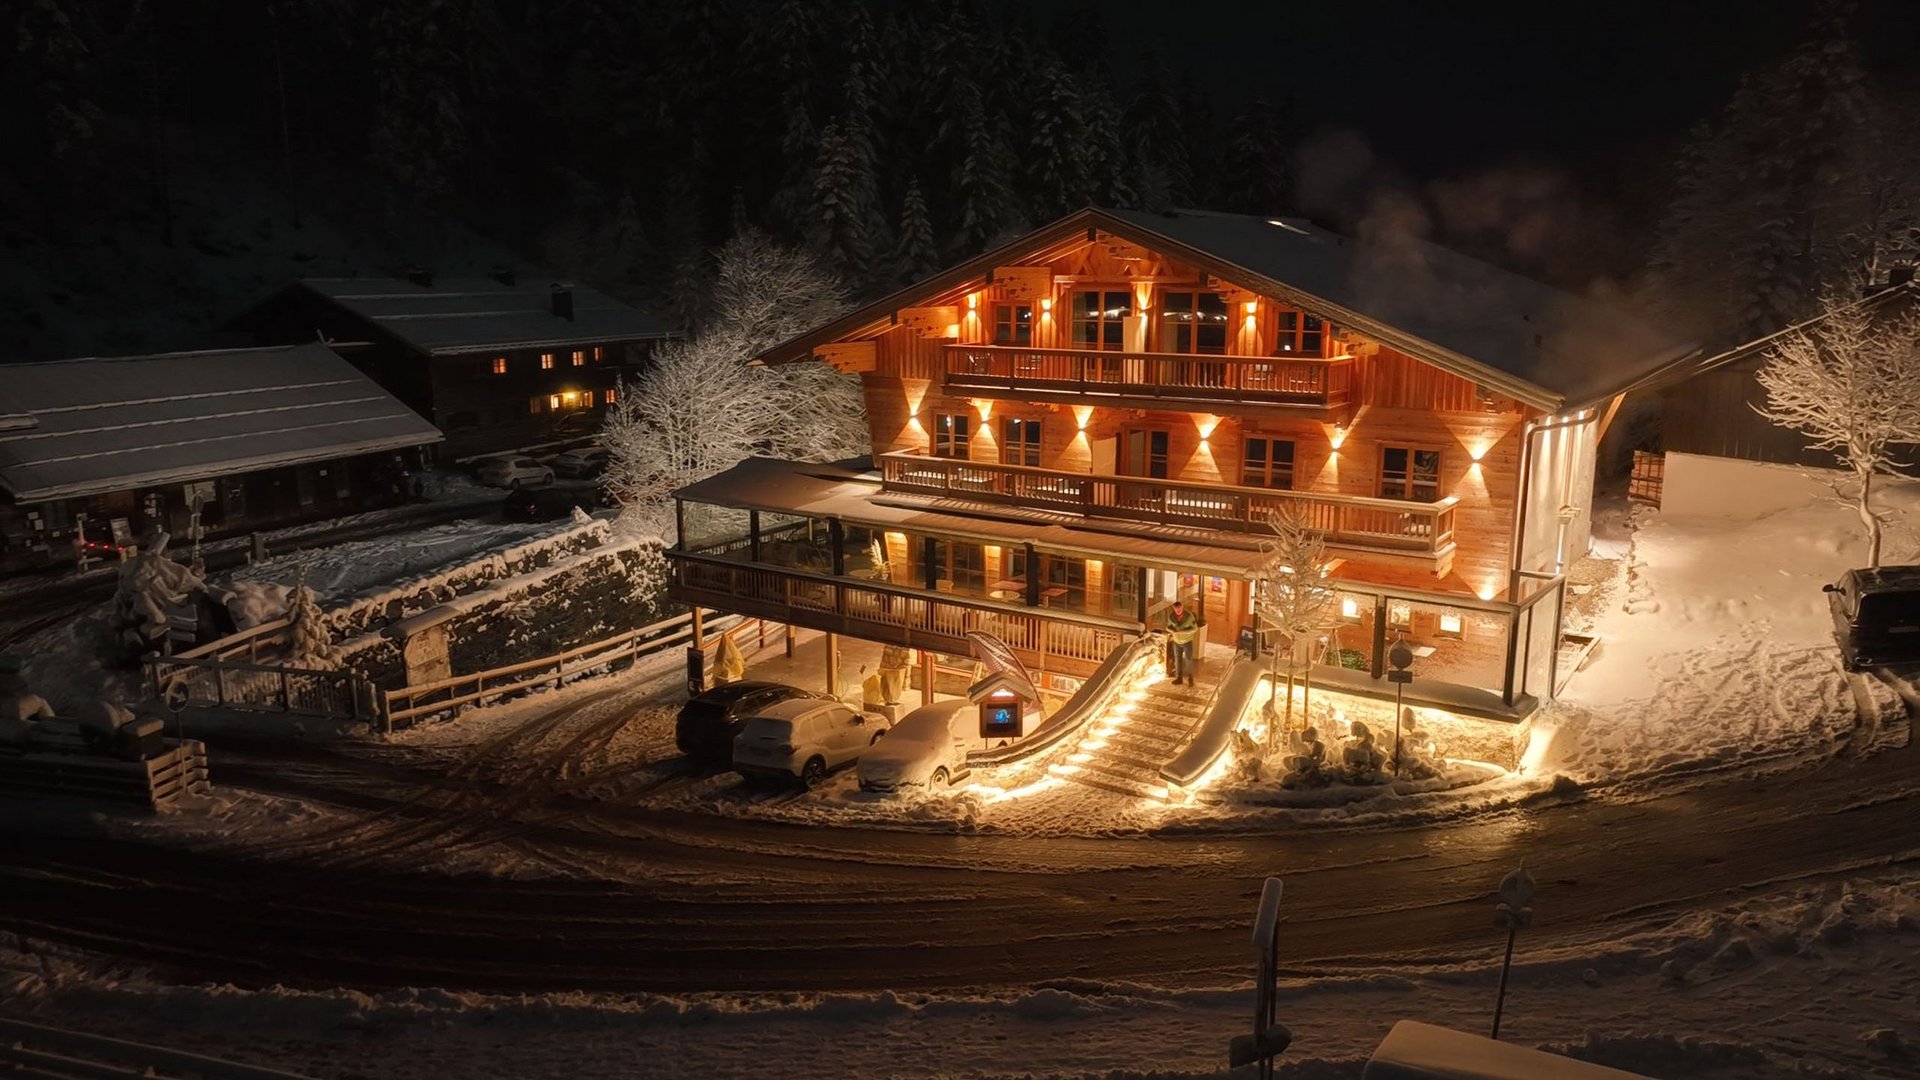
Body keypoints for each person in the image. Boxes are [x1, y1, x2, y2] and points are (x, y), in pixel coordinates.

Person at [1164, 598, 1202, 685]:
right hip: (1176, 641)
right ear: (1174, 609)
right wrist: (1171, 631)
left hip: (1187, 641)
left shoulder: (1189, 616)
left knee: (1189, 660)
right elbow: (1167, 627)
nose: (1178, 611)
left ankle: (1190, 678)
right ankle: (1178, 678)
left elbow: (1194, 629)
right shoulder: (1171, 616)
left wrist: (1183, 632)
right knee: (1178, 660)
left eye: (1179, 609)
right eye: (1176, 610)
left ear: (1182, 608)